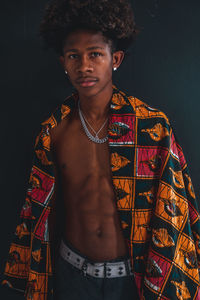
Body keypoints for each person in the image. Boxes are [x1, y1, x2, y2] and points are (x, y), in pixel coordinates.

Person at [2, 0, 200, 299]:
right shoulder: (54, 131)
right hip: (72, 274)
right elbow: (42, 215)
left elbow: (173, 211)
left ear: (115, 58)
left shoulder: (151, 127)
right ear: (63, 62)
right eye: (74, 56)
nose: (84, 66)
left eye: (95, 54)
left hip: (131, 277)